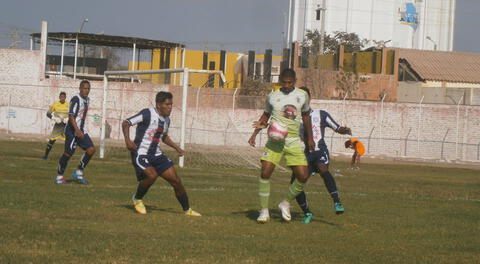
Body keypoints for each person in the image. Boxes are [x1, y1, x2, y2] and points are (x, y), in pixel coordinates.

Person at [248, 68, 315, 223]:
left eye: (289, 83)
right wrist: (254, 134)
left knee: (303, 176)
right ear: (280, 81)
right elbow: (266, 115)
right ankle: (264, 211)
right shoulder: (272, 96)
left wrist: (309, 138)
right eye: (283, 83)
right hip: (274, 141)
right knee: (265, 173)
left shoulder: (302, 95)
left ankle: (285, 203)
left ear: (295, 81)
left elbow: (305, 117)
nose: (286, 85)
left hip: (293, 141)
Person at [122, 91, 201, 216]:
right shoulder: (147, 113)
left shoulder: (167, 120)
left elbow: (163, 137)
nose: (170, 107)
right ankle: (137, 198)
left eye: (171, 105)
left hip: (157, 155)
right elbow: (126, 122)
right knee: (152, 175)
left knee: (176, 181)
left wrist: (177, 148)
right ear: (159, 105)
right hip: (141, 153)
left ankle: (187, 210)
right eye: (167, 104)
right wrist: (127, 140)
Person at [292, 87, 351, 223]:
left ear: (309, 99)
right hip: (304, 155)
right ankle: (307, 213)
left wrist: (345, 130)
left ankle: (337, 202)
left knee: (323, 169)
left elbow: (337, 128)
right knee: (295, 185)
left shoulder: (321, 114)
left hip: (319, 151)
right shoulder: (294, 119)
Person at [54, 80, 95, 184]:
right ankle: (59, 177)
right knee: (68, 153)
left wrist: (80, 130)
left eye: (88, 89)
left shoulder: (87, 99)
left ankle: (78, 172)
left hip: (81, 130)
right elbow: (71, 115)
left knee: (91, 149)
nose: (87, 91)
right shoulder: (76, 99)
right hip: (72, 130)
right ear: (80, 88)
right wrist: (76, 130)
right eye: (85, 88)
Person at [41, 92, 69, 160]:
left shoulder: (69, 105)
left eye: (64, 97)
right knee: (52, 140)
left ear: (65, 98)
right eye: (61, 97)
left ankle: (66, 158)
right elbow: (48, 114)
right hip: (58, 125)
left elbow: (73, 114)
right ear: (59, 97)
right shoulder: (55, 104)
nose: (62, 98)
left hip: (66, 126)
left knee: (68, 141)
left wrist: (67, 119)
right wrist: (54, 118)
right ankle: (45, 156)